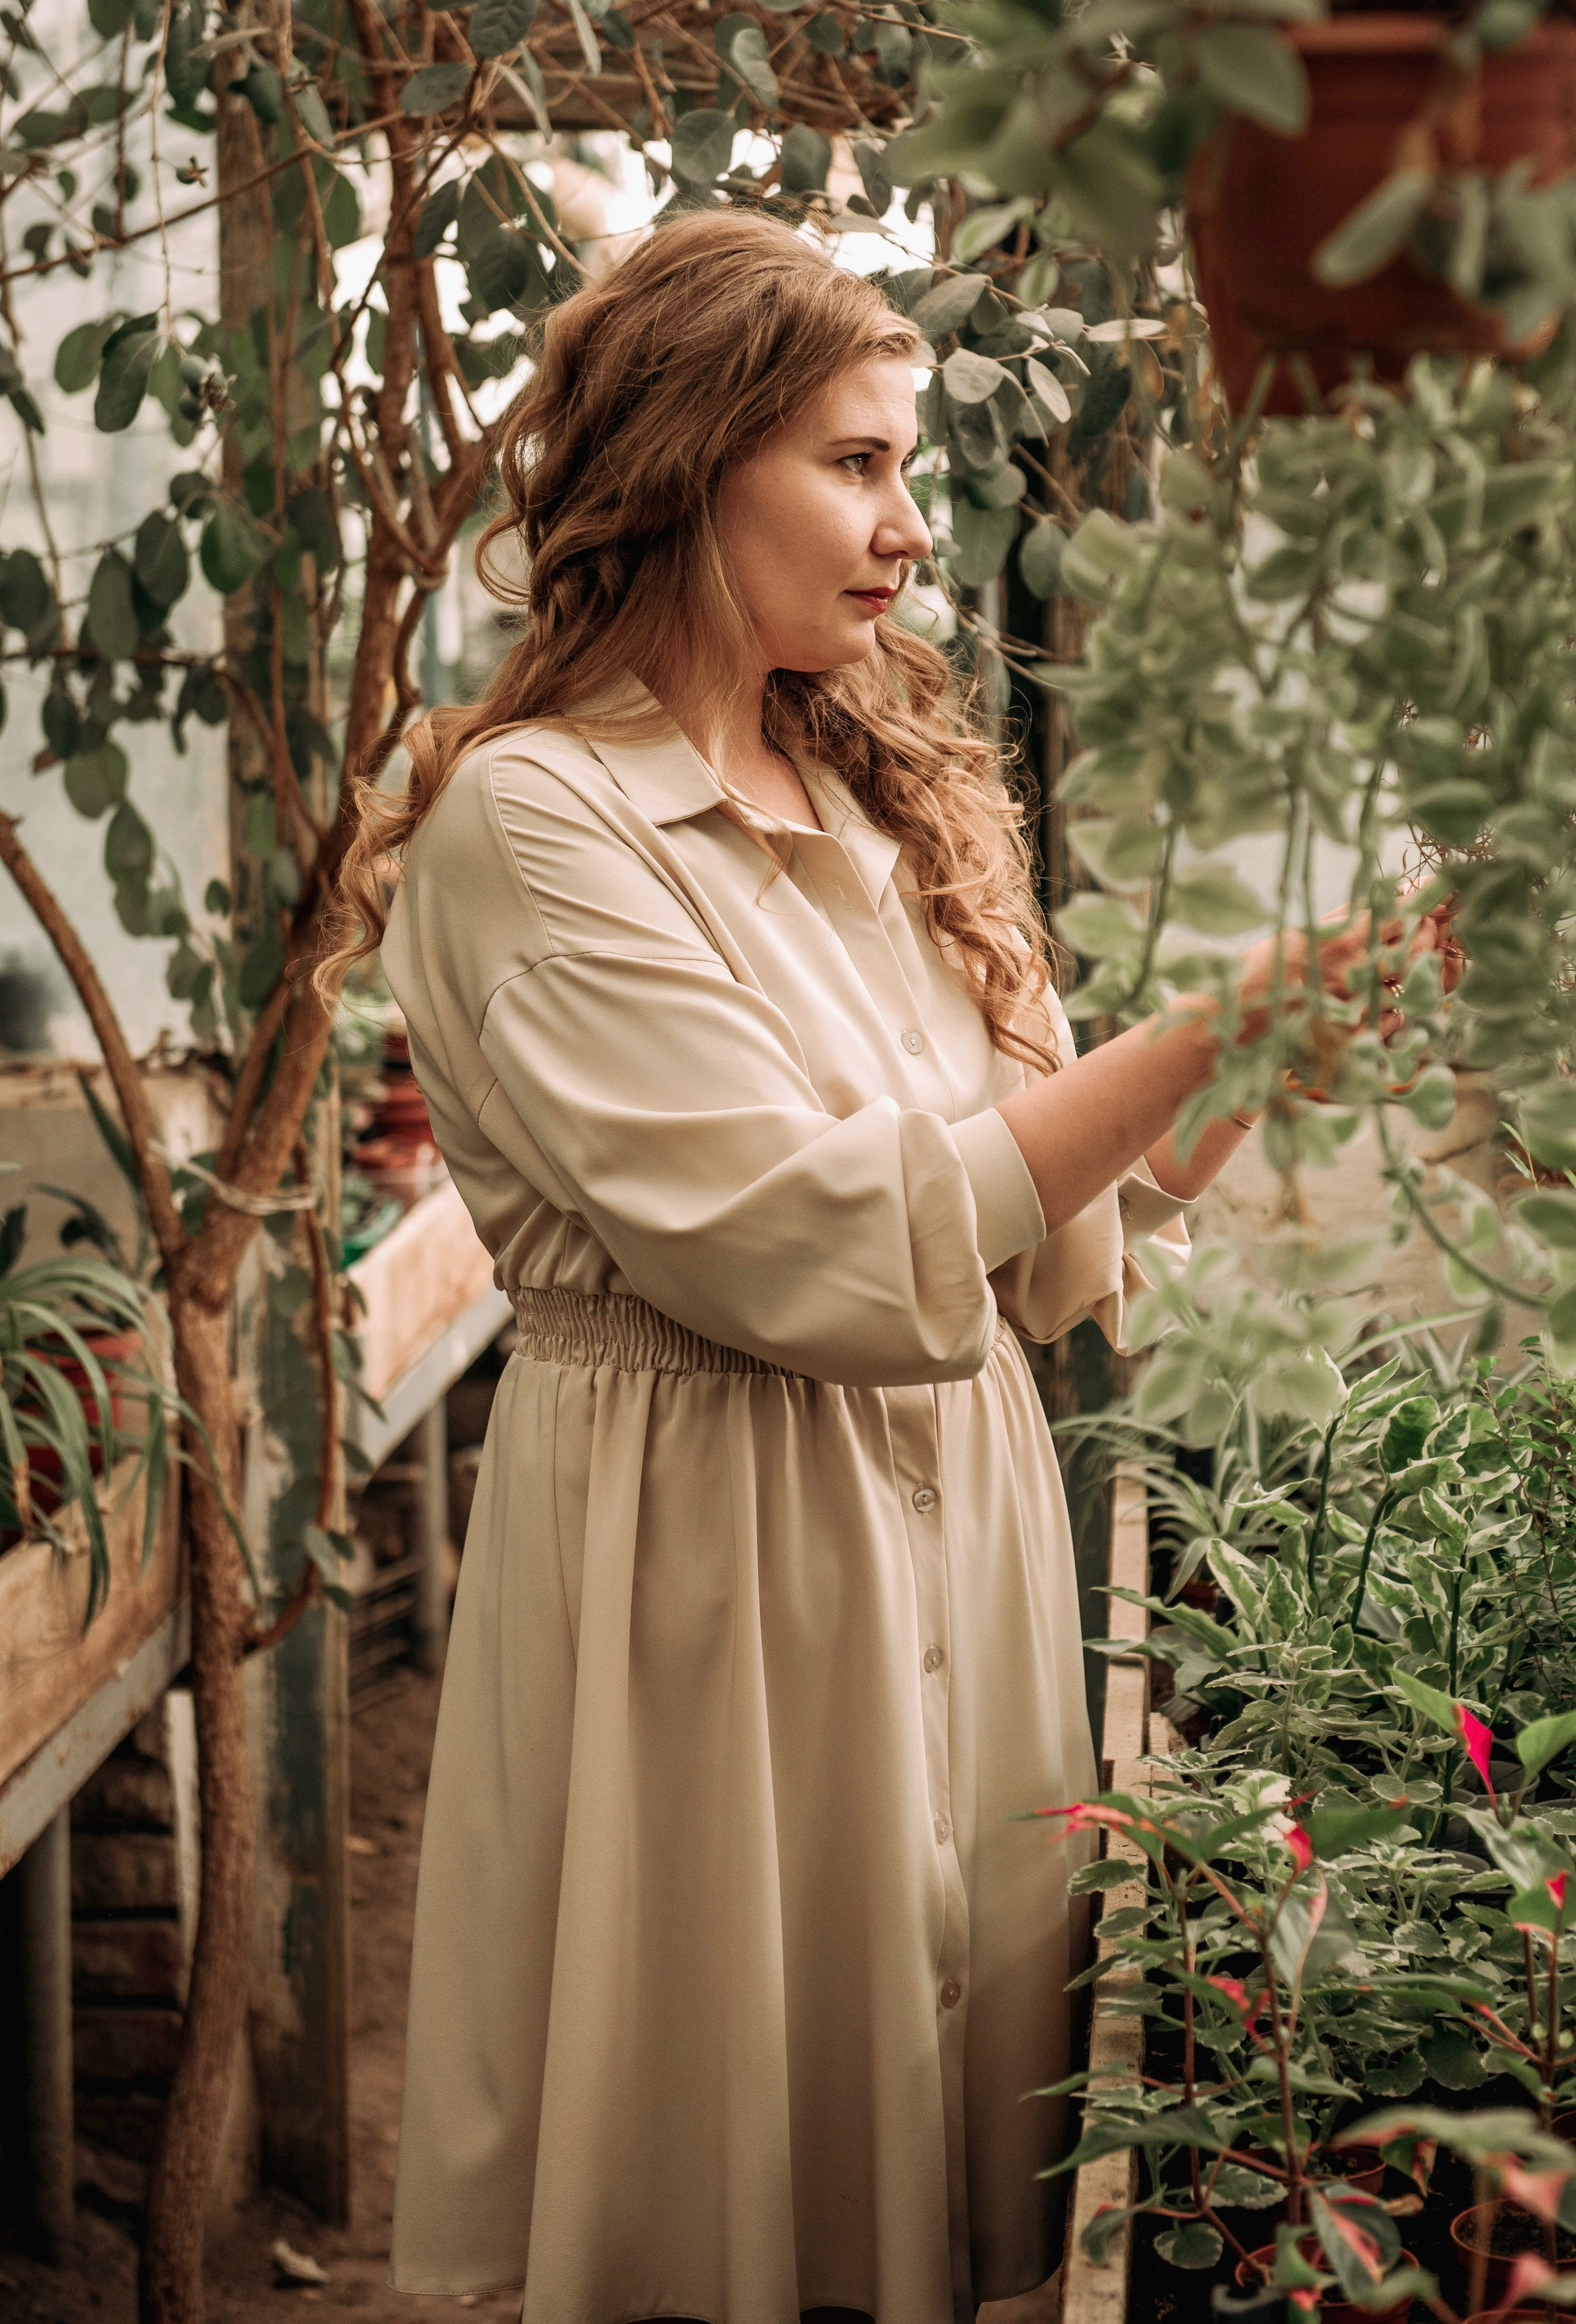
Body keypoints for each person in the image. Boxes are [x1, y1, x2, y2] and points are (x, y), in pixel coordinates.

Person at [321, 210, 1361, 2324]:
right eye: (858, 463)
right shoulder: (540, 822)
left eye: (913, 469)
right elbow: (801, 1236)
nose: (910, 527)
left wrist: (1272, 1052)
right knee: (728, 2182)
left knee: (917, 2166)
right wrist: (1200, 1030)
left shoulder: (877, 792)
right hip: (711, 1552)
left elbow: (1045, 1222)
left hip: (948, 1509)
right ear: (693, 463)